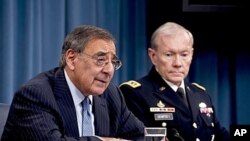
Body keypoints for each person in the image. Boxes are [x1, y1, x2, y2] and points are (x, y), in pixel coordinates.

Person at [1, 25, 145, 141]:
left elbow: (140, 136)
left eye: (113, 62)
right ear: (71, 58)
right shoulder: (36, 95)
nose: (109, 70)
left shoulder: (112, 95)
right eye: (100, 60)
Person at [120, 22, 230, 141]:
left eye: (184, 55)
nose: (177, 63)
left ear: (191, 55)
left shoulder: (200, 95)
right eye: (169, 55)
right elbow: (140, 137)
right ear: (153, 56)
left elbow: (221, 135)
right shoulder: (135, 94)